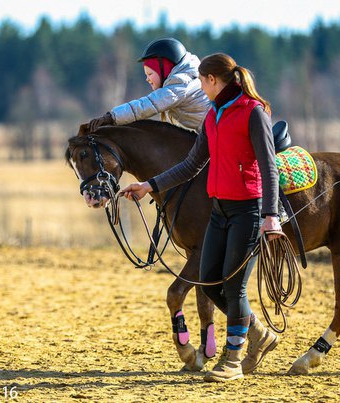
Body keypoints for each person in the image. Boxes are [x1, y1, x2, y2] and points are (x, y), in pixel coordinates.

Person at [120, 53, 281, 382]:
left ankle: (233, 360)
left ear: (211, 80)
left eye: (202, 83)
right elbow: (191, 165)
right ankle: (259, 333)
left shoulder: (253, 113)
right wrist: (148, 185)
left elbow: (269, 167)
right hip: (220, 208)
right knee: (208, 281)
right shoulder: (214, 116)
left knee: (233, 287)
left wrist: (271, 216)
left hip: (248, 210)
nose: (200, 89)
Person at [88, 38, 210, 133]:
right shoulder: (183, 82)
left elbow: (145, 106)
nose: (147, 79)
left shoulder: (179, 86)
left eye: (150, 73)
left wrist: (112, 117)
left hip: (216, 132)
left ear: (165, 69)